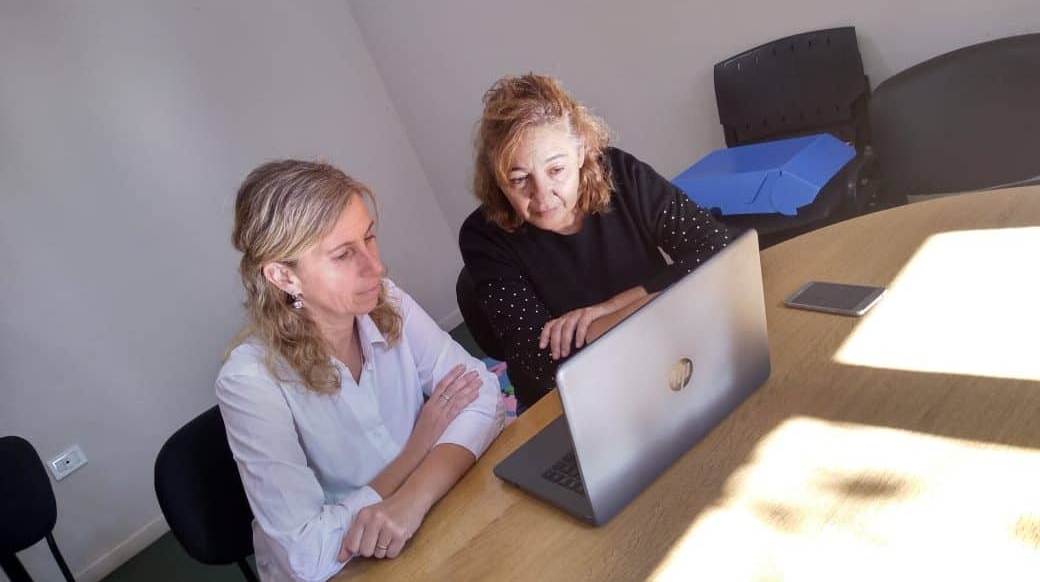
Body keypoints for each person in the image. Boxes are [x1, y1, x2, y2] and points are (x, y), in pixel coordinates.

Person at [218, 160, 503, 581]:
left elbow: (483, 394)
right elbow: (308, 554)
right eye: (342, 254)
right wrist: (417, 448)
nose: (376, 267)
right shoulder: (249, 382)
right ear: (283, 276)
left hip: (424, 517)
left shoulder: (383, 298)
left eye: (369, 237)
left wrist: (413, 498)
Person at [459, 74, 731, 410]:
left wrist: (606, 311)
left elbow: (719, 248)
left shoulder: (619, 172)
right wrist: (662, 299)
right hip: (568, 402)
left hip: (662, 356)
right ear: (498, 181)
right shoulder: (482, 237)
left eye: (556, 170)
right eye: (519, 179)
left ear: (581, 152)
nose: (542, 195)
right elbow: (545, 363)